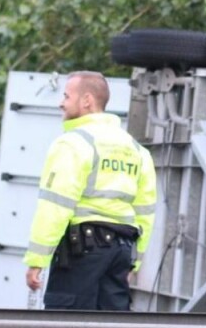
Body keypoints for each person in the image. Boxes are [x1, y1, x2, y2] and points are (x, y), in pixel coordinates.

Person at [24, 71, 156, 310]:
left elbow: (56, 205)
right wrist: (134, 262)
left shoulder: (73, 143)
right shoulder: (136, 149)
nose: (61, 102)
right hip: (121, 251)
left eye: (66, 96)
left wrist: (37, 259)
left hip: (82, 252)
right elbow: (145, 212)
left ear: (86, 101)